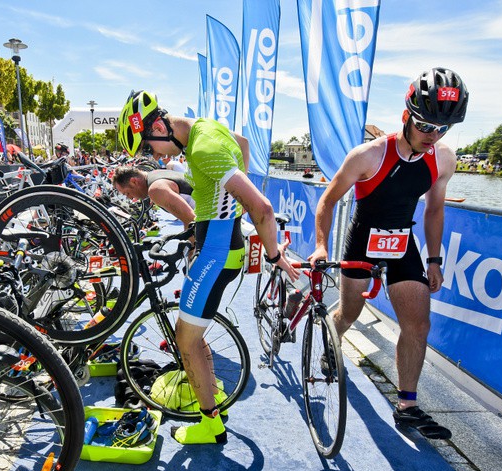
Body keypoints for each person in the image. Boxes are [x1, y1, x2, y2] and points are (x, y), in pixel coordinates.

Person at [117, 90, 298, 445]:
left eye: (148, 147)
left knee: (185, 341)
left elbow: (261, 207)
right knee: (193, 336)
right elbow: (243, 143)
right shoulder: (207, 128)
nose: (154, 156)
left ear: (158, 127)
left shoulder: (202, 149)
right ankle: (212, 403)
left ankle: (210, 426)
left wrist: (275, 255)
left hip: (216, 254)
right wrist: (233, 207)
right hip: (221, 246)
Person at [307, 67, 469, 440]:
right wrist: (319, 245)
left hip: (401, 244)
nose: (433, 137)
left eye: (443, 129)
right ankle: (332, 344)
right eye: (426, 126)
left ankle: (407, 406)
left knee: (418, 324)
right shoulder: (368, 155)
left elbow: (433, 209)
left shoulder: (443, 158)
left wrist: (433, 260)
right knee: (349, 313)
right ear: (406, 117)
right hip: (362, 240)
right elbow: (328, 201)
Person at [113, 164, 195, 227]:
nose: (130, 198)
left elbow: (191, 221)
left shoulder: (155, 190)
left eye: (127, 193)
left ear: (134, 182)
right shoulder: (155, 173)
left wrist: (191, 248)